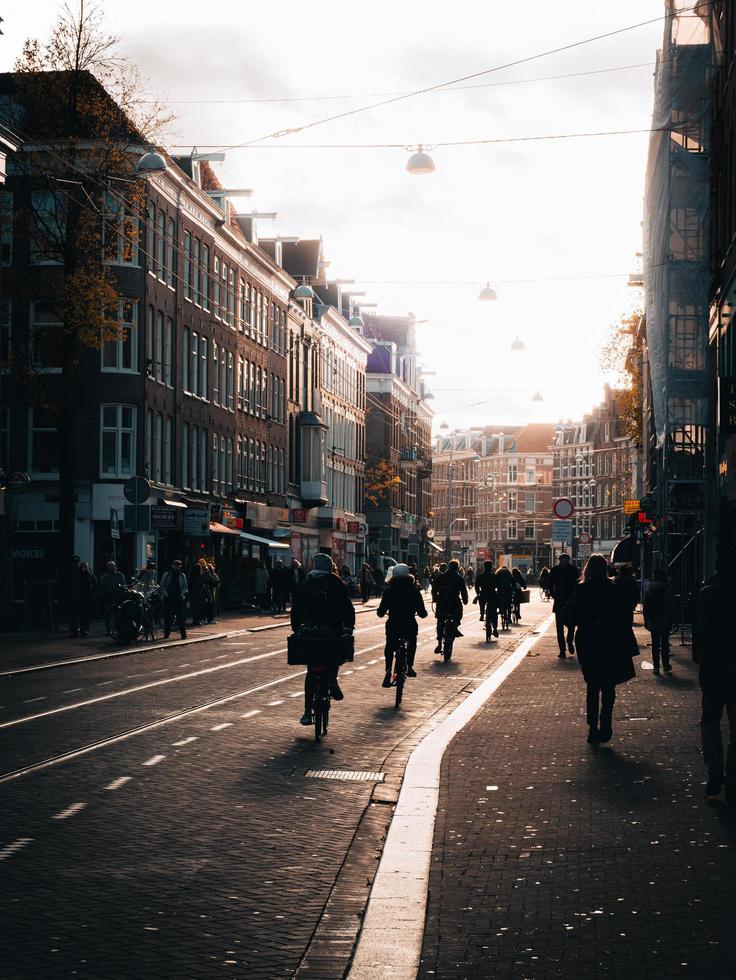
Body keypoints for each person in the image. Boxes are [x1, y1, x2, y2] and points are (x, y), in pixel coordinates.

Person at [563, 553, 637, 743]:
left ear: (587, 569)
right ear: (605, 569)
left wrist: (572, 635)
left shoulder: (581, 590)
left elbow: (570, 616)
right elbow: (629, 606)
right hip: (610, 642)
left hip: (588, 642)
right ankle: (606, 724)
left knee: (592, 686)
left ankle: (592, 728)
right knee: (609, 686)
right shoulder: (613, 589)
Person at [291, 553, 355, 725]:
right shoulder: (337, 584)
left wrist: (297, 628)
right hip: (331, 629)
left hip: (309, 631)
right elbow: (347, 608)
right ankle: (332, 680)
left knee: (311, 670)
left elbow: (296, 610)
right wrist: (349, 626)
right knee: (334, 654)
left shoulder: (304, 585)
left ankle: (306, 711)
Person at [693, 547, 736, 803]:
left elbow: (699, 631)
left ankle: (714, 770)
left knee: (710, 720)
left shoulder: (707, 593)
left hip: (712, 667)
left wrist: (700, 656)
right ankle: (732, 776)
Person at [377, 563, 428, 686]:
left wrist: (381, 613)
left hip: (393, 623)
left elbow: (381, 610)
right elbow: (422, 612)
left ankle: (388, 671)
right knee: (412, 642)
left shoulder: (389, 591)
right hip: (409, 623)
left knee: (390, 645)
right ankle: (409, 666)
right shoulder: (414, 591)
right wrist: (423, 614)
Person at [643, 568, 675, 675]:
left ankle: (656, 666)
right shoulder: (668, 588)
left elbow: (646, 607)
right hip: (665, 619)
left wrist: (646, 620)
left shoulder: (649, 589)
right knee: (665, 643)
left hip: (653, 620)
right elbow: (671, 606)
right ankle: (666, 665)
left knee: (655, 644)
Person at [432, 559, 468, 653]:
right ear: (457, 568)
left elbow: (434, 589)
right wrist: (465, 600)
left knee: (440, 620)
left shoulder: (441, 576)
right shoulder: (459, 578)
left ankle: (439, 643)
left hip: (442, 602)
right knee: (458, 613)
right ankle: (455, 626)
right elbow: (463, 591)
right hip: (454, 602)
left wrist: (435, 598)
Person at [549, 553, 580, 657]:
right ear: (560, 560)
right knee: (559, 627)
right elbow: (549, 583)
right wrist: (553, 594)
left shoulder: (574, 570)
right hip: (559, 600)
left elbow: (578, 583)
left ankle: (569, 642)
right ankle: (562, 650)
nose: (564, 561)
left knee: (571, 625)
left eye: (566, 559)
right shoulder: (555, 570)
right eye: (563, 560)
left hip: (571, 601)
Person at [160, 559, 188, 639]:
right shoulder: (167, 574)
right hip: (169, 597)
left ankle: (183, 634)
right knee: (168, 616)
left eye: (179, 565)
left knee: (181, 616)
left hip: (178, 597)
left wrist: (182, 595)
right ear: (172, 565)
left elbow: (185, 586)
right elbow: (162, 585)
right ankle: (167, 633)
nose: (177, 566)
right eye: (175, 565)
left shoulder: (182, 575)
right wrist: (166, 594)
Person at [69, 561, 97, 637]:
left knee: (86, 616)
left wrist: (93, 597)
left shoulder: (91, 576)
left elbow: (95, 587)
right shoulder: (77, 576)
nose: (83, 568)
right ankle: (77, 631)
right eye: (82, 567)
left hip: (87, 599)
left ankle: (85, 630)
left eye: (85, 567)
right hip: (79, 599)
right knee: (77, 616)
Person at [474, 560, 498, 636]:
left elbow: (476, 586)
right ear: (491, 567)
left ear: (484, 567)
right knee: (494, 612)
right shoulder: (494, 576)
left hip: (483, 594)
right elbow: (499, 586)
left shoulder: (480, 576)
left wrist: (478, 593)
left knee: (481, 601)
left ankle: (481, 614)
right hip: (492, 595)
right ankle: (495, 629)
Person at [495, 564, 514, 628]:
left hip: (500, 590)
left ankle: (500, 609)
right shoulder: (508, 573)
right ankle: (509, 618)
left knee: (500, 600)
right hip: (507, 590)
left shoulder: (498, 572)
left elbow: (495, 581)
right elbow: (512, 581)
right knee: (508, 604)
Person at [189, 560, 206, 626]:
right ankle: (196, 620)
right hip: (198, 594)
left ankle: (195, 620)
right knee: (198, 607)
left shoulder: (191, 576)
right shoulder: (199, 576)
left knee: (195, 607)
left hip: (194, 593)